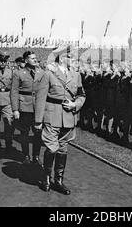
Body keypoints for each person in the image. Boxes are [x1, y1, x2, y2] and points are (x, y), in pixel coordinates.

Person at [35, 46, 86, 194]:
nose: (75, 61)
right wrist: (38, 120)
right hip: (52, 114)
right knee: (52, 147)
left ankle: (58, 181)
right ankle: (46, 178)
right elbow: (41, 98)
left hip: (68, 117)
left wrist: (75, 104)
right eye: (73, 58)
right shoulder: (49, 74)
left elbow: (82, 95)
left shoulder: (76, 75)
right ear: (63, 58)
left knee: (63, 148)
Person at [11, 51, 44, 165]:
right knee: (24, 133)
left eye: (36, 58)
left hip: (38, 107)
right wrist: (15, 109)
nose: (35, 60)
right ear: (25, 60)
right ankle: (26, 155)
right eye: (32, 58)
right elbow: (14, 92)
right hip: (24, 106)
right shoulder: (19, 73)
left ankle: (36, 156)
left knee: (38, 132)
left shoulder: (42, 73)